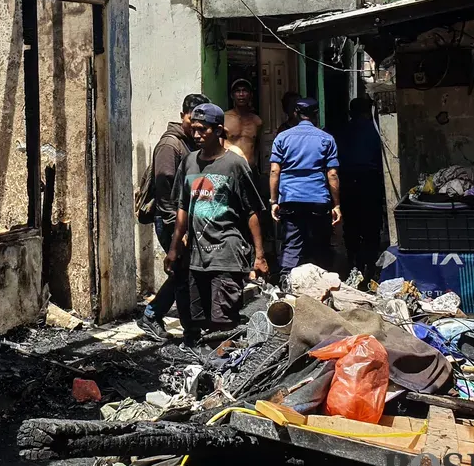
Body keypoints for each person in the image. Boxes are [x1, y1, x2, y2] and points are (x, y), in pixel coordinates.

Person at [167, 103, 268, 334]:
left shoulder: (234, 164)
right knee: (197, 318)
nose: (197, 135)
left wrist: (259, 255)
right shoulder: (189, 162)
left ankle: (225, 363)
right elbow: (183, 207)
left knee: (222, 321)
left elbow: (252, 210)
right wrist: (174, 247)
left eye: (204, 129)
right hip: (196, 255)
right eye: (194, 129)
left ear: (219, 130)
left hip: (226, 253)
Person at [136, 93, 211, 341]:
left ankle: (154, 315)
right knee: (182, 274)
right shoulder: (171, 145)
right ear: (182, 117)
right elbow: (165, 188)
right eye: (192, 120)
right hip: (171, 220)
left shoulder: (189, 142)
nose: (197, 126)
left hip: (186, 220)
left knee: (183, 272)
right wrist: (178, 229)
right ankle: (183, 329)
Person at [269, 98, 341, 282]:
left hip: (290, 198)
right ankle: (324, 287)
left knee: (291, 243)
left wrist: (274, 201)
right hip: (318, 198)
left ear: (295, 114)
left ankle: (286, 283)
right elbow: (332, 174)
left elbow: (275, 170)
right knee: (321, 244)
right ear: (316, 114)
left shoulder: (282, 137)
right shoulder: (326, 139)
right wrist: (337, 205)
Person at [334, 97, 386, 277]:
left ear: (351, 113)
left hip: (348, 183)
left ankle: (353, 261)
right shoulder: (377, 131)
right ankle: (370, 264)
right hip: (371, 182)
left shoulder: (341, 131)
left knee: (352, 224)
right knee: (371, 225)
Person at [224, 78, 262, 169]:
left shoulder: (257, 121)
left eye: (244, 91)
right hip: (229, 168)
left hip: (250, 168)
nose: (241, 94)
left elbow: (257, 145)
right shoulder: (224, 118)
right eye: (237, 91)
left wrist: (255, 163)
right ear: (232, 95)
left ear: (250, 95)